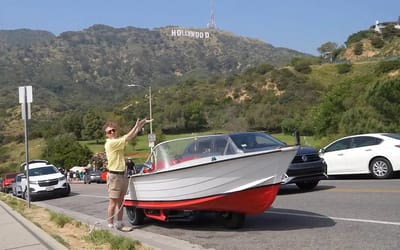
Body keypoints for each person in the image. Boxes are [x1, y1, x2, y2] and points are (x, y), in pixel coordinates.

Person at [103, 118, 148, 230]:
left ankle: (119, 223)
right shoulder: (111, 143)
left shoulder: (117, 143)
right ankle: (110, 225)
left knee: (121, 202)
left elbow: (130, 137)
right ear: (106, 135)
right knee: (113, 202)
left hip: (122, 174)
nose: (112, 132)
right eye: (109, 131)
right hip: (114, 175)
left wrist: (138, 127)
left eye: (113, 130)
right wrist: (135, 126)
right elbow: (127, 136)